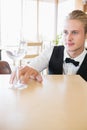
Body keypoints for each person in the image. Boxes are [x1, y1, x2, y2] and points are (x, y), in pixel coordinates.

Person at [10, 9, 87, 84]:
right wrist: (26, 71)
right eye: (65, 32)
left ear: (86, 35)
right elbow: (31, 67)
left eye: (75, 32)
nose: (68, 38)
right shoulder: (51, 51)